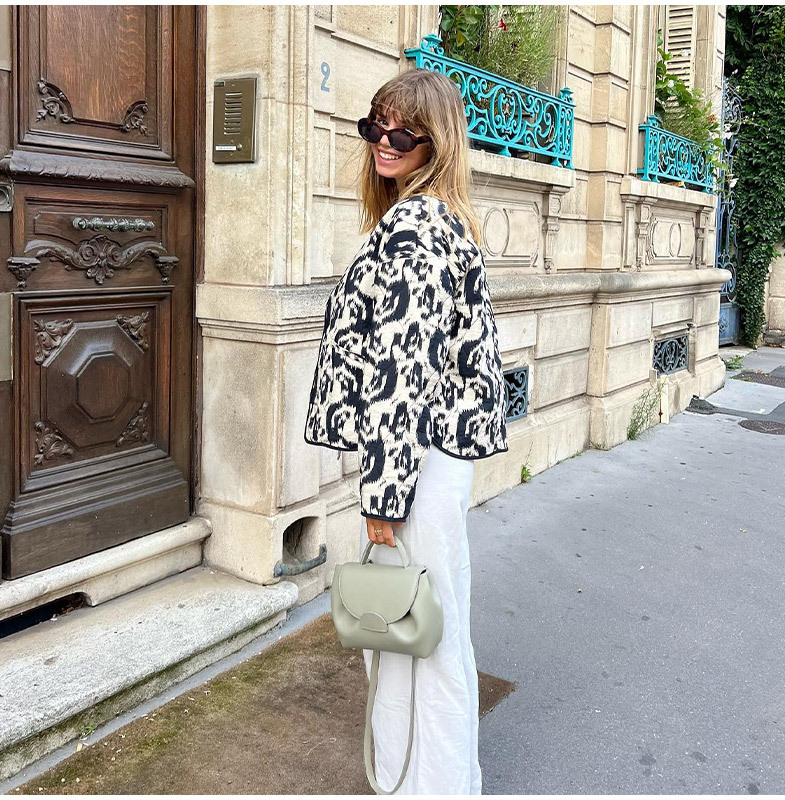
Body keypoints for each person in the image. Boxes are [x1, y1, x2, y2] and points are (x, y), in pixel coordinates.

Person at [304, 68, 509, 794]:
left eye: (405, 133)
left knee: (421, 638)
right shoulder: (436, 221)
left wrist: (383, 496)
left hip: (415, 460)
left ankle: (432, 785)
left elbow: (403, 371)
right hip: (431, 458)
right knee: (414, 633)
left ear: (437, 143)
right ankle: (413, 778)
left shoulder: (415, 231)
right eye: (375, 126)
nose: (385, 142)